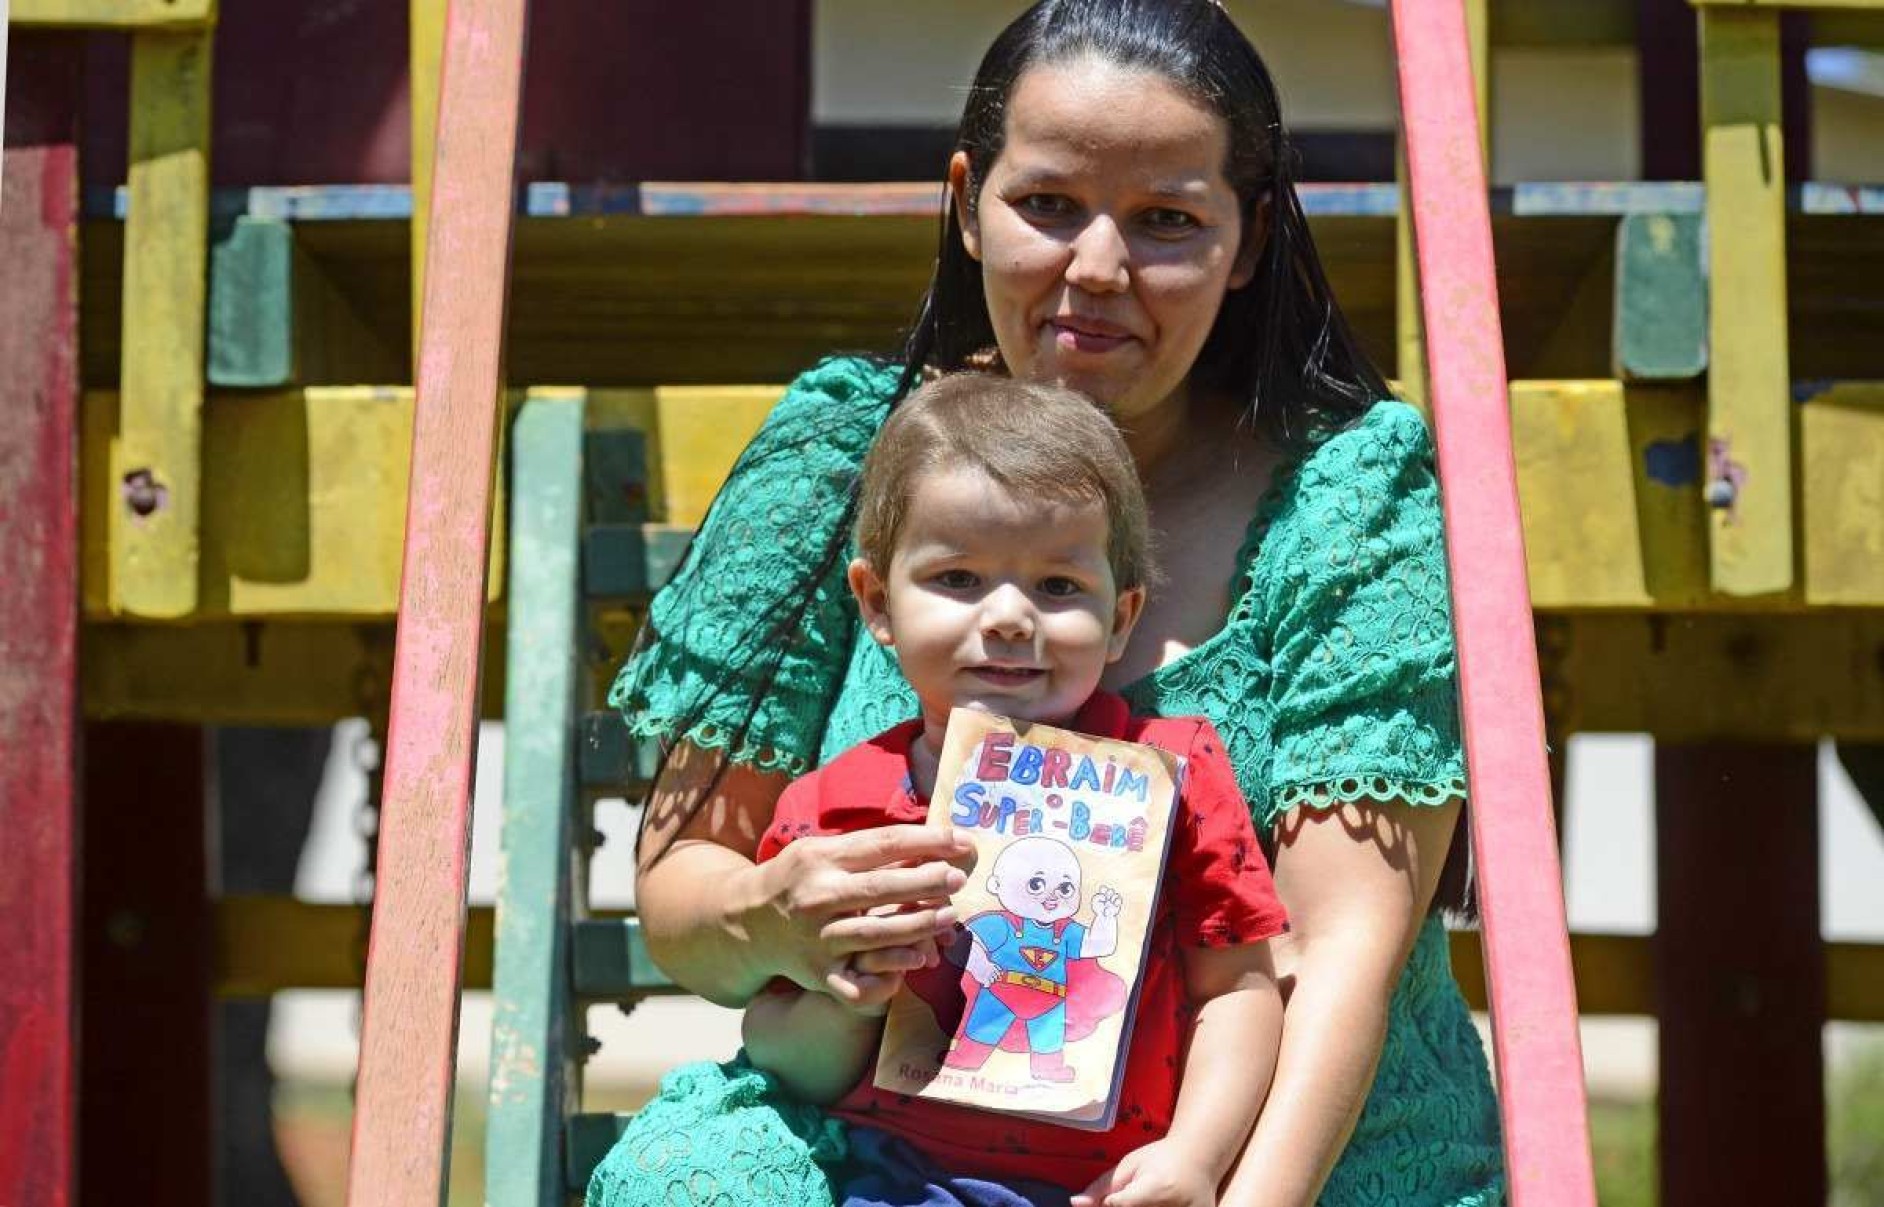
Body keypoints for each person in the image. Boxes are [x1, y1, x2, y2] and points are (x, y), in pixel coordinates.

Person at [591, 2, 1504, 1205]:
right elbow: (683, 888)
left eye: (1168, 220)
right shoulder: (837, 462)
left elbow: (1339, 954)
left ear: (1250, 238)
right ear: (968, 201)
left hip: (1293, 1153)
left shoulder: (1347, 496)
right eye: (1049, 205)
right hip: (884, 1148)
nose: (1098, 270)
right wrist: (776, 916)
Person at [736, 374, 1290, 1206]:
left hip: (1119, 1184)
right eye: (957, 578)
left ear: (1124, 616)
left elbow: (1239, 989)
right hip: (895, 1177)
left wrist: (1199, 1156)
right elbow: (776, 1044)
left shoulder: (1173, 777)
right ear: (878, 601)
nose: (1007, 617)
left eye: (1058, 587)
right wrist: (847, 998)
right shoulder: (837, 812)